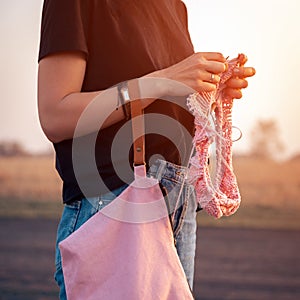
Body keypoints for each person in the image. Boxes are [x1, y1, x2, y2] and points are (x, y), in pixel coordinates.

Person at [37, 0, 255, 298]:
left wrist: (207, 89)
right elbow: (54, 114)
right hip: (113, 199)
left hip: (179, 203)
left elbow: (162, 101)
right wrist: (165, 80)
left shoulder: (174, 6)